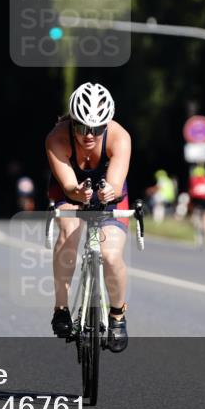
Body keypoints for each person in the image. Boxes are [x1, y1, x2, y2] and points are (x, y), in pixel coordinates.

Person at [46, 82, 132, 352]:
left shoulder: (120, 137)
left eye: (97, 128)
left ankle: (117, 314)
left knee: (110, 255)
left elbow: (116, 185)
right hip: (70, 188)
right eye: (82, 127)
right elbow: (69, 186)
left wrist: (107, 192)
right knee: (67, 235)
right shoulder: (57, 138)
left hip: (109, 191)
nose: (89, 135)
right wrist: (78, 192)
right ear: (72, 122)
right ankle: (61, 308)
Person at [188, 164, 205, 244]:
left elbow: (192, 192)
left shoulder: (194, 180)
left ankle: (199, 230)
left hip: (198, 200)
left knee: (196, 215)